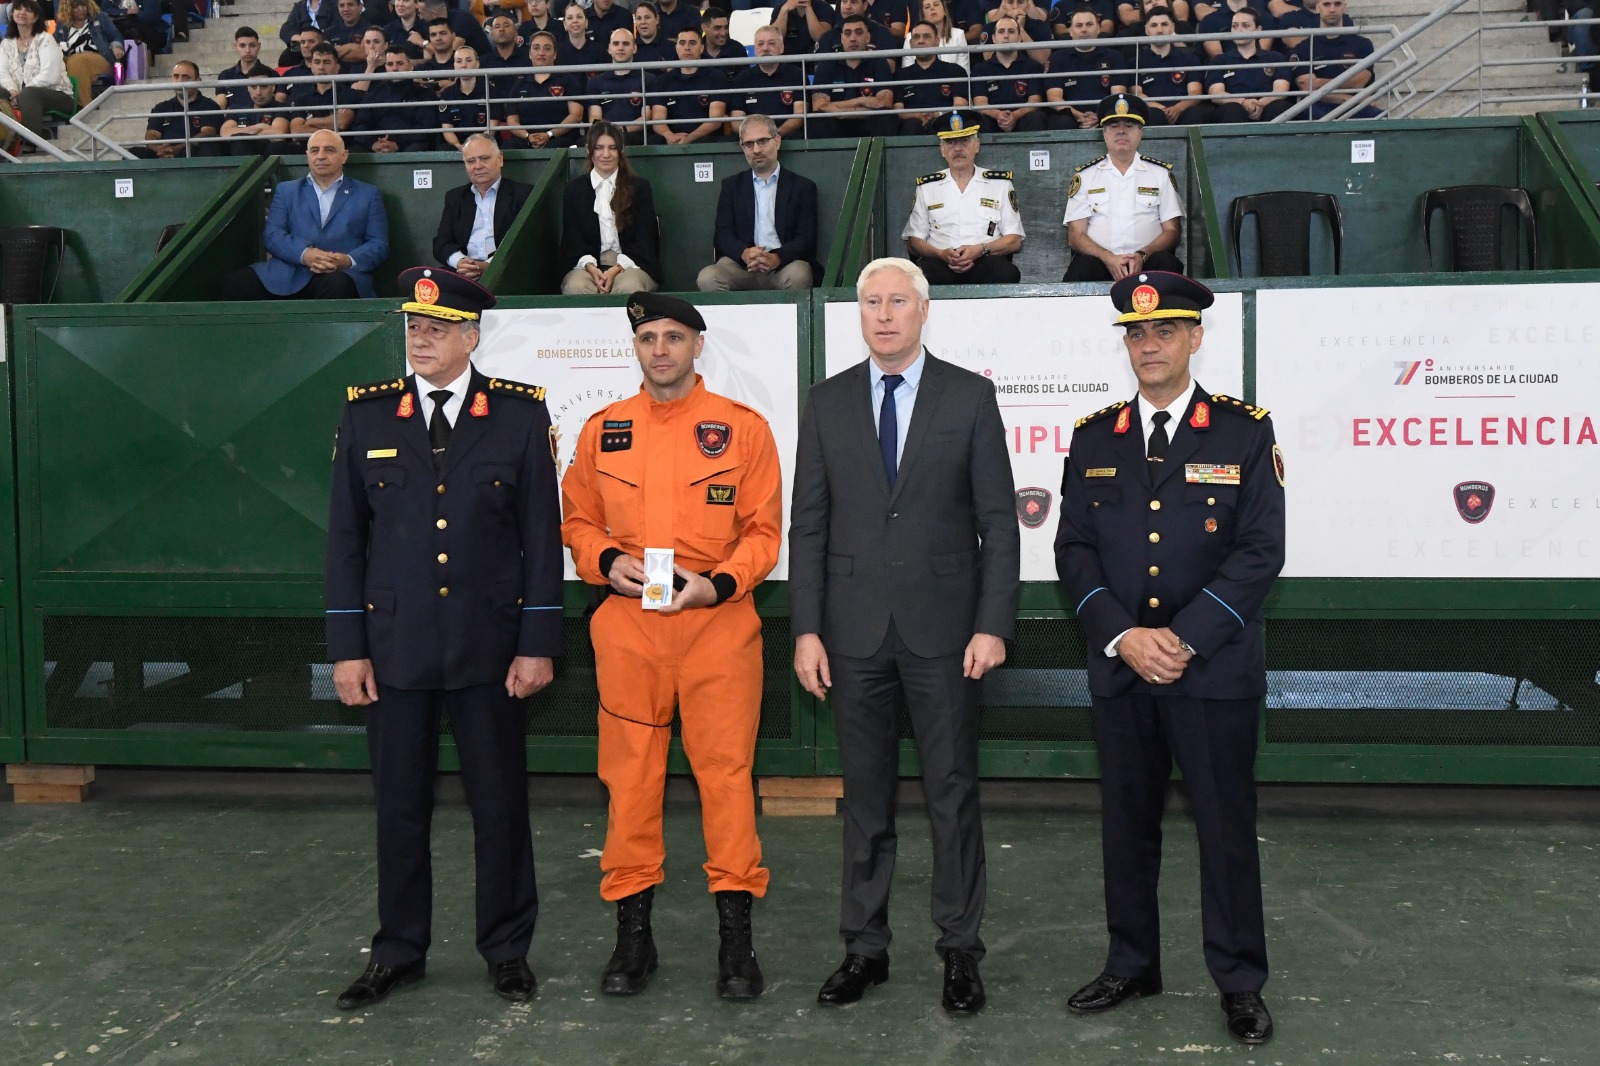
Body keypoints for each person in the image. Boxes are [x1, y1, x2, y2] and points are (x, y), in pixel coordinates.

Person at [1054, 269, 1284, 1047]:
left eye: (1164, 331)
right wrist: (1126, 637)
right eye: (1136, 333)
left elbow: (1260, 554)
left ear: (1194, 337)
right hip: (1123, 670)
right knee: (1127, 827)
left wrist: (1182, 640)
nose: (1147, 345)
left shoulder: (1244, 432)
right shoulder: (1093, 438)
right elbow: (1074, 552)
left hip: (1210, 671)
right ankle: (1132, 962)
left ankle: (1240, 981)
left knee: (1224, 829)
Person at [326, 266, 563, 1011]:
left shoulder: (519, 417)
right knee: (399, 809)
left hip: (489, 651)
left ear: (471, 335)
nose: (419, 338)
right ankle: (398, 949)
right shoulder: (367, 416)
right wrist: (347, 648)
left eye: (435, 328)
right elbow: (344, 543)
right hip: (393, 649)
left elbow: (540, 540)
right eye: (413, 327)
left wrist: (537, 642)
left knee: (499, 806)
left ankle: (506, 949)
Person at [789, 256, 1019, 1015]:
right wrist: (807, 630)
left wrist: (992, 625)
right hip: (851, 636)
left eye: (897, 301)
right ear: (858, 315)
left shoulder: (969, 396)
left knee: (952, 794)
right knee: (865, 800)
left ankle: (960, 950)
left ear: (923, 312)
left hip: (947, 635)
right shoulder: (824, 403)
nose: (884, 314)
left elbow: (996, 522)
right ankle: (864, 948)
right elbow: (810, 525)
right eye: (871, 303)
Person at [560, 290, 782, 1001]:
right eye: (649, 337)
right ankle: (633, 941)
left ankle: (736, 945)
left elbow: (764, 533)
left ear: (697, 346)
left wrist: (716, 586)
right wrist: (602, 560)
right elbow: (576, 518)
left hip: (717, 627)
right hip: (627, 628)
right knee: (629, 784)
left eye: (674, 337)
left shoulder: (741, 429)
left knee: (725, 780)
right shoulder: (604, 429)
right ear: (637, 347)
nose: (660, 349)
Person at [219, 130, 389, 300]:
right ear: (307, 156)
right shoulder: (287, 191)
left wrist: (346, 260)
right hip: (288, 271)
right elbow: (273, 235)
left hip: (340, 273)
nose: (320, 156)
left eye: (329, 150)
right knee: (236, 283)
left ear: (344, 156)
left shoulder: (368, 194)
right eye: (314, 151)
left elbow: (378, 244)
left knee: (338, 286)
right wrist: (304, 255)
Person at [1061, 93, 1183, 282]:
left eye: (1129, 125)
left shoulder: (1160, 175)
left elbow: (1172, 231)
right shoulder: (1085, 177)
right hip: (1100, 262)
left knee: (1168, 264)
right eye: (1114, 126)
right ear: (1104, 133)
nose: (1121, 131)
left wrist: (1143, 255)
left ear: (1140, 132)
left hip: (1147, 261)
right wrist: (1108, 257)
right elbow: (1075, 235)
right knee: (1081, 268)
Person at [901, 111, 1025, 285]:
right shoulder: (927, 187)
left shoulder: (1000, 184)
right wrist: (940, 254)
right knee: (917, 278)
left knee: (1006, 273)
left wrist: (981, 249)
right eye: (950, 142)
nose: (957, 148)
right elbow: (914, 241)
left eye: (965, 141)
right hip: (940, 263)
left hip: (985, 261)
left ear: (977, 145)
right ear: (942, 150)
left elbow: (1014, 240)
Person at [698, 114, 818, 291]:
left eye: (762, 141)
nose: (756, 150)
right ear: (743, 147)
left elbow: (806, 238)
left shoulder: (802, 186)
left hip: (783, 266)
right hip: (741, 266)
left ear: (777, 141)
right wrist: (745, 253)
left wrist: (776, 257)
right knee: (708, 278)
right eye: (749, 144)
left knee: (799, 274)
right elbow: (722, 235)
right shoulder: (731, 186)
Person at [559, 120, 661, 294]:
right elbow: (573, 241)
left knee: (628, 287)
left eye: (612, 148)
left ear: (621, 151)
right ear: (589, 150)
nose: (605, 154)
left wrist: (615, 269)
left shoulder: (639, 187)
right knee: (576, 287)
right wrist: (592, 268)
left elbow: (645, 240)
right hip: (588, 265)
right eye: (599, 148)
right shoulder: (574, 189)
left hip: (632, 264)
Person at [434, 133, 533, 279]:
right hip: (462, 274)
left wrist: (488, 266)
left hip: (505, 274)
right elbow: (441, 243)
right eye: (471, 161)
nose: (478, 166)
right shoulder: (455, 197)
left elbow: (526, 245)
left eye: (484, 158)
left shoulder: (523, 195)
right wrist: (461, 262)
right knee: (420, 284)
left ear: (500, 159)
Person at [0, 0, 75, 150]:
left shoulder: (46, 39)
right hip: (21, 94)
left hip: (58, 94)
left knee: (28, 94)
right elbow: (3, 73)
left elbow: (50, 75)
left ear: (35, 18)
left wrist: (21, 94)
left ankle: (32, 141)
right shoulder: (6, 44)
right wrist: (13, 90)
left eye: (27, 10)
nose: (22, 12)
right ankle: (6, 138)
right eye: (18, 9)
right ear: (12, 14)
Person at [810, 16, 898, 139]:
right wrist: (864, 103)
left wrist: (840, 109)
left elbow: (884, 104)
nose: (853, 38)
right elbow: (820, 106)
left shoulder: (879, 62)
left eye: (859, 32)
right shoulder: (826, 64)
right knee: (818, 119)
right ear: (841, 38)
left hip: (868, 123)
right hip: (838, 125)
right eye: (847, 33)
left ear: (867, 38)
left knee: (886, 118)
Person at [1290, 0, 1378, 118]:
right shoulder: (1304, 47)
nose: (1332, 9)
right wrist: (1347, 99)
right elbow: (1307, 87)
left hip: (1357, 106)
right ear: (1317, 8)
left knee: (1377, 116)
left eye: (1337, 4)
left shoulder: (1363, 44)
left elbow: (1357, 83)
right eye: (1326, 4)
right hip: (1320, 105)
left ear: (1344, 7)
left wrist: (1318, 83)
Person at [1044, 4, 1127, 129]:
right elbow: (1054, 98)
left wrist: (1100, 117)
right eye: (1079, 25)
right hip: (1070, 117)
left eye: (1089, 24)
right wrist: (1080, 116)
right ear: (1070, 31)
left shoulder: (1114, 56)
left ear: (1099, 28)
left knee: (1119, 119)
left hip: (1107, 115)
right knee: (1060, 122)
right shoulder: (1057, 58)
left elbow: (1117, 95)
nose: (1084, 30)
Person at [1205, 7, 1291, 122]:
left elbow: (1281, 91)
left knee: (1280, 106)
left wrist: (1259, 104)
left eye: (1245, 26)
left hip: (1266, 108)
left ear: (1258, 29)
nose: (1239, 30)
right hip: (1233, 110)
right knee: (1232, 109)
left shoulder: (1275, 57)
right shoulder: (1220, 60)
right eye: (1235, 26)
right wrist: (1244, 102)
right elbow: (1216, 94)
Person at [648, 25, 729, 145]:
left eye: (692, 43)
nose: (687, 48)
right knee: (654, 141)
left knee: (706, 142)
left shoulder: (716, 78)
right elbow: (658, 120)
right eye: (682, 43)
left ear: (701, 48)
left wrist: (689, 138)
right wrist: (669, 136)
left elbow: (715, 120)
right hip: (673, 137)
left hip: (704, 137)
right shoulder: (662, 81)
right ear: (676, 48)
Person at [352, 43, 438, 152]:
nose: (395, 68)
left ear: (410, 65)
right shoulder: (374, 93)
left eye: (400, 63)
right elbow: (361, 125)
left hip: (410, 144)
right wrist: (373, 143)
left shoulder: (424, 93)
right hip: (376, 144)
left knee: (416, 149)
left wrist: (398, 144)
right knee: (353, 152)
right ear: (385, 67)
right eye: (390, 64)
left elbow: (426, 129)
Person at [1131, 6, 1211, 125]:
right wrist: (1162, 110)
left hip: (1183, 111)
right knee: (1152, 114)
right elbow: (1136, 93)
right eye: (1154, 25)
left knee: (1194, 113)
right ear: (1146, 31)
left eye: (1164, 24)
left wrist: (1177, 109)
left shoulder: (1189, 58)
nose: (1159, 30)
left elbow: (1195, 93)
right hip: (1153, 112)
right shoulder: (1136, 62)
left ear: (1172, 28)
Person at [970, 14, 1045, 132]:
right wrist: (998, 115)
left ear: (1020, 38)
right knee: (979, 122)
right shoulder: (980, 69)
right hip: (993, 118)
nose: (1006, 36)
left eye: (1011, 31)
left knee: (1035, 118)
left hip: (1023, 116)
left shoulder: (1033, 66)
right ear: (994, 39)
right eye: (1001, 32)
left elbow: (1035, 101)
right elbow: (980, 103)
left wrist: (1015, 115)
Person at [893, 19, 969, 135]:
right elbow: (898, 110)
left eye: (927, 36)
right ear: (911, 43)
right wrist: (918, 115)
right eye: (916, 37)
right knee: (911, 127)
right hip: (911, 126)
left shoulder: (955, 71)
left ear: (937, 41)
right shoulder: (900, 75)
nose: (921, 41)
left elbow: (960, 105)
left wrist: (936, 114)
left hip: (945, 122)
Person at [507, 31, 583, 147]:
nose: (541, 53)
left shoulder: (569, 80)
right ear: (530, 53)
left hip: (560, 138)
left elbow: (576, 115)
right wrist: (528, 137)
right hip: (526, 139)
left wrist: (549, 134)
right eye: (536, 48)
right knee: (510, 146)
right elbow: (512, 121)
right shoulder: (519, 85)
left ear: (555, 54)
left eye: (547, 49)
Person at [729, 25, 806, 139]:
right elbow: (736, 119)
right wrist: (755, 137)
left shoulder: (796, 74)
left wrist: (776, 135)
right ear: (755, 49)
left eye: (771, 43)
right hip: (752, 138)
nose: (765, 48)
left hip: (786, 136)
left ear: (781, 48)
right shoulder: (742, 79)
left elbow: (799, 115)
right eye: (760, 44)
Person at [137, 61, 221, 159]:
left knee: (195, 149)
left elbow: (207, 134)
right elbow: (151, 134)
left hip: (192, 153)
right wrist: (159, 149)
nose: (180, 81)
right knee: (135, 152)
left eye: (186, 77)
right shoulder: (161, 107)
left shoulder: (209, 105)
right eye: (176, 76)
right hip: (164, 153)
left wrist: (177, 149)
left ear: (198, 80)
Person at [53, 0, 123, 107]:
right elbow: (54, 43)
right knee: (59, 62)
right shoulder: (63, 25)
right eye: (76, 6)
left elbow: (116, 35)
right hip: (72, 60)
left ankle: (85, 105)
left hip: (100, 58)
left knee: (77, 60)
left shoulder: (100, 17)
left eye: (83, 5)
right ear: (68, 8)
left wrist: (116, 46)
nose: (81, 9)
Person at [587, 29, 648, 144]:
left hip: (636, 137)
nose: (620, 48)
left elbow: (647, 117)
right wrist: (610, 132)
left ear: (634, 48)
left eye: (625, 44)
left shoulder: (647, 79)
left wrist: (622, 130)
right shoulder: (595, 82)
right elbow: (594, 117)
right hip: (604, 136)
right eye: (616, 44)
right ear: (609, 49)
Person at [219, 65, 290, 155]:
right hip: (240, 153)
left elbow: (278, 134)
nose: (258, 92)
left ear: (273, 87)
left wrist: (241, 132)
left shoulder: (281, 108)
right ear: (248, 88)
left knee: (240, 141)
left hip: (266, 157)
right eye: (253, 87)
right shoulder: (238, 109)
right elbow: (225, 133)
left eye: (263, 86)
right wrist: (259, 127)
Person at [289, 42, 358, 135]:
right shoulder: (301, 99)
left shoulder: (349, 94)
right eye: (317, 62)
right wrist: (330, 124)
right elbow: (296, 131)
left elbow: (342, 123)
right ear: (312, 67)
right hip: (308, 147)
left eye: (327, 62)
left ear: (337, 68)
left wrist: (310, 122)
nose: (321, 67)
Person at [214, 25, 263, 108]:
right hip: (232, 119)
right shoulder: (225, 75)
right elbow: (220, 106)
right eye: (242, 46)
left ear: (259, 46)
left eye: (252, 45)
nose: (247, 50)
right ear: (235, 46)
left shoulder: (271, 74)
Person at [771, 0, 836, 56]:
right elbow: (773, 39)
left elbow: (822, 38)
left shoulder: (824, 7)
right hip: (787, 60)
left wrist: (808, 8)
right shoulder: (780, 8)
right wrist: (784, 11)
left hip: (816, 59)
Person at [556, 1, 605, 66]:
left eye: (579, 17)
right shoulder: (557, 53)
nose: (575, 21)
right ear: (565, 24)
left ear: (586, 22)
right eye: (570, 18)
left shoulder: (599, 52)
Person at [326, 0, 374, 65]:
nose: (346, 9)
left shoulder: (371, 30)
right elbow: (325, 56)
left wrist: (334, 53)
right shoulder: (329, 32)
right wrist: (351, 47)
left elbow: (364, 54)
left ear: (360, 6)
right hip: (336, 74)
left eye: (350, 4)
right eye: (342, 5)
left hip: (363, 73)